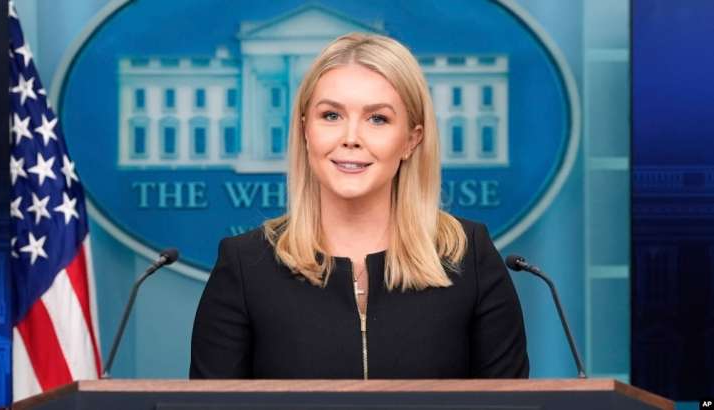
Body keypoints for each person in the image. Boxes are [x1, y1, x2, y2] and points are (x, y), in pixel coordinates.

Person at [190, 32, 529, 379]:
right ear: (306, 131)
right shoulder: (244, 265)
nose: (351, 138)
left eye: (377, 119)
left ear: (411, 140)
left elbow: (511, 401)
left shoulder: (470, 257)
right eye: (331, 115)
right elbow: (210, 402)